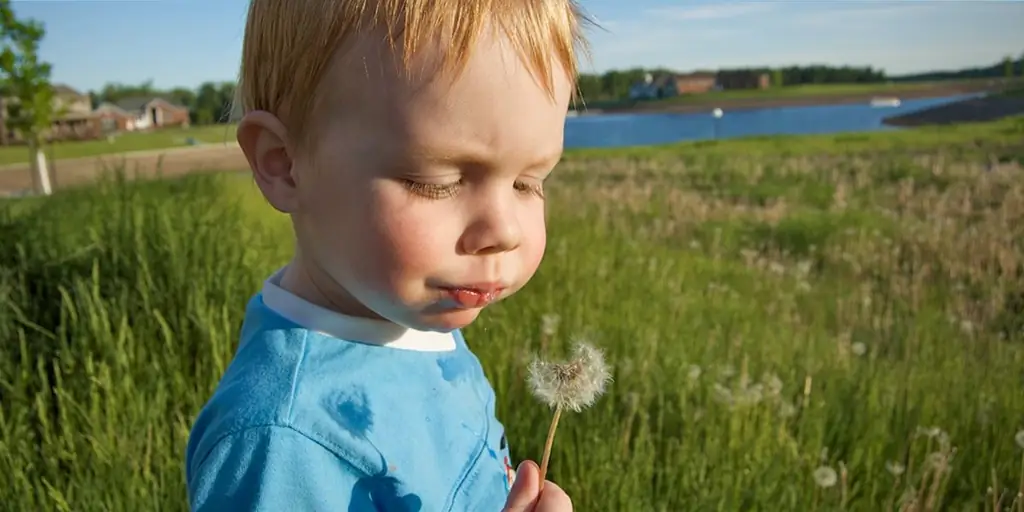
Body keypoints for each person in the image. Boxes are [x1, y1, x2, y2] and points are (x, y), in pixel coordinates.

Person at [184, 0, 590, 510]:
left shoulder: (402, 312)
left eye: (529, 183)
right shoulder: (283, 441)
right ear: (284, 164)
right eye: (436, 183)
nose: (505, 231)